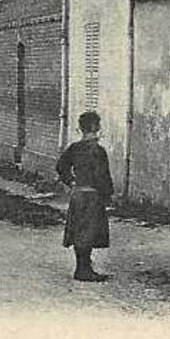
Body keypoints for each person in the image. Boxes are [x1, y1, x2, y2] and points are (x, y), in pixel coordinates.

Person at [56, 111, 114, 282]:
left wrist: (71, 182)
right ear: (97, 127)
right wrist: (107, 194)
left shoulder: (74, 148)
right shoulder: (98, 151)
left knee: (79, 231)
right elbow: (102, 176)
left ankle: (82, 267)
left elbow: (60, 166)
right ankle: (84, 270)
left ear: (80, 128)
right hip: (92, 196)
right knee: (88, 232)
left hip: (78, 194)